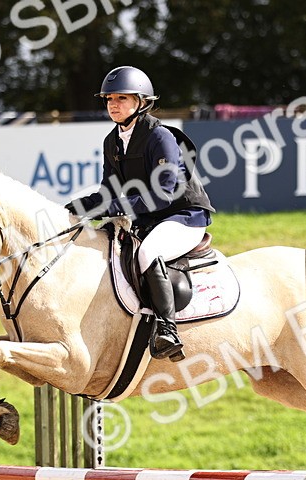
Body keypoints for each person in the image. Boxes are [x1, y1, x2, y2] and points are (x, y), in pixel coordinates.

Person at [67, 66, 214, 361]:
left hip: (185, 216)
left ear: (141, 101)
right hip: (152, 219)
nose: (113, 104)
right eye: (109, 99)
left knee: (148, 252)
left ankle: (168, 331)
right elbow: (109, 193)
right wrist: (77, 208)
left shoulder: (160, 137)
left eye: (121, 98)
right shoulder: (112, 141)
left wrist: (115, 206)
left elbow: (163, 194)